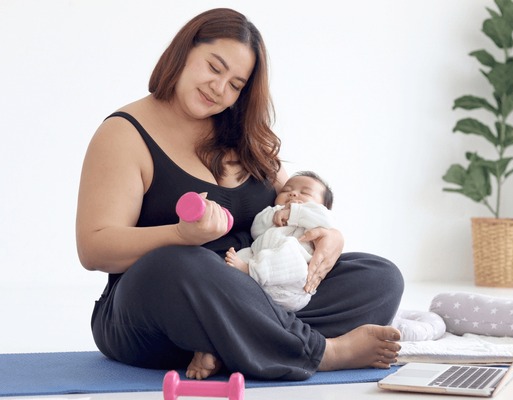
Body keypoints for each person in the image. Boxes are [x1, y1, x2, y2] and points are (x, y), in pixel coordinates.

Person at [76, 8, 404, 381]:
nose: (219, 89)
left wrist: (332, 236)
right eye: (214, 68)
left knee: (379, 277)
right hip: (158, 307)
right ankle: (323, 351)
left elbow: (295, 203)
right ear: (183, 52)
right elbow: (94, 249)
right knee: (179, 263)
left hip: (254, 287)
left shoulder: (244, 135)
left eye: (235, 85)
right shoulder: (124, 134)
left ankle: (227, 345)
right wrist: (180, 236)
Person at [225, 171, 336, 312]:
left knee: (289, 248)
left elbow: (327, 220)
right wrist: (275, 215)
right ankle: (241, 276)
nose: (293, 194)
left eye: (305, 193)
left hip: (293, 283)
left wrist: (294, 213)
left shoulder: (316, 214)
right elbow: (256, 230)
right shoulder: (273, 211)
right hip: (264, 281)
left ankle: (250, 270)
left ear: (323, 205)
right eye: (286, 190)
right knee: (245, 253)